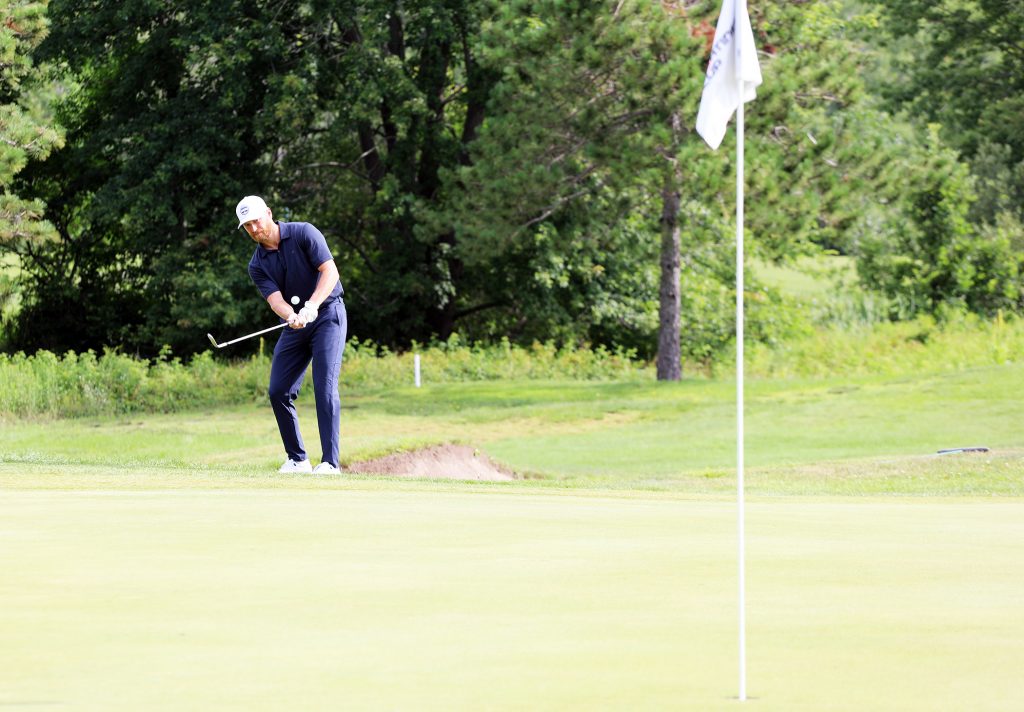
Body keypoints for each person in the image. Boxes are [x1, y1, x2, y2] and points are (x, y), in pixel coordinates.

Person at [235, 195, 347, 475]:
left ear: (269, 213)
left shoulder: (303, 233)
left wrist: (313, 305)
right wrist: (291, 316)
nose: (254, 229)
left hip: (328, 315)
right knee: (278, 390)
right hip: (297, 323)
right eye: (247, 225)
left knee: (324, 387)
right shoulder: (256, 264)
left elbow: (330, 271)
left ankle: (330, 463)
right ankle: (298, 459)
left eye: (256, 221)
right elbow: (275, 300)